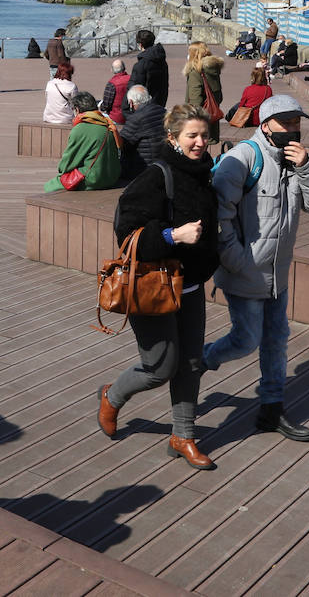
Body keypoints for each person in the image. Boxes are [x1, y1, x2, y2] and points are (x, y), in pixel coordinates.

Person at [204, 94, 309, 442]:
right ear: (265, 125)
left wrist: (308, 167)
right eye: (286, 123)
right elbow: (219, 217)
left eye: (297, 123)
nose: (293, 129)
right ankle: (198, 361)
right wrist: (239, 261)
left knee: (276, 340)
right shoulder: (243, 158)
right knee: (246, 340)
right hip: (246, 271)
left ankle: (271, 410)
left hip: (278, 274)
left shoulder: (297, 160)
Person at [99, 104, 220, 469]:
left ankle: (183, 435)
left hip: (190, 286)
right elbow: (127, 233)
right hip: (152, 286)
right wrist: (172, 235)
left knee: (191, 364)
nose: (200, 142)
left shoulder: (204, 174)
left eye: (204, 135)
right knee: (159, 367)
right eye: (191, 136)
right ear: (172, 138)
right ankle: (112, 394)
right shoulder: (156, 176)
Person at [44, 91, 121, 191]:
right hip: (112, 176)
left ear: (77, 109)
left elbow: (68, 162)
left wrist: (62, 170)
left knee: (50, 186)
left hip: (94, 178)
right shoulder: (107, 124)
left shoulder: (80, 129)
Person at [120, 85, 167, 178]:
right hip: (164, 162)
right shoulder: (162, 110)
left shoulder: (136, 118)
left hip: (144, 166)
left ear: (131, 103)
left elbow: (122, 143)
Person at [184, 41, 224, 142]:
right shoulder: (213, 69)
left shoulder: (195, 72)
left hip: (199, 122)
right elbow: (219, 96)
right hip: (212, 118)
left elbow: (195, 100)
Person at [128, 29, 169, 107]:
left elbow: (135, 88)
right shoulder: (161, 60)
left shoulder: (141, 65)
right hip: (160, 102)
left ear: (140, 45)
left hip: (145, 106)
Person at [98, 59, 129, 124]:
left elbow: (106, 106)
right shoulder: (132, 79)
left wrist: (100, 106)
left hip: (116, 118)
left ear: (112, 70)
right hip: (130, 116)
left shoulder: (112, 83)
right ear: (124, 68)